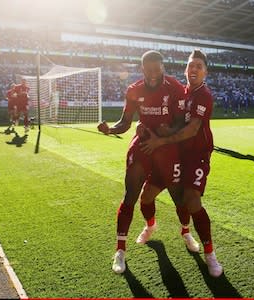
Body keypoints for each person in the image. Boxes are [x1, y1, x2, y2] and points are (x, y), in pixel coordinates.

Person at [97, 50, 189, 274]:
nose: (153, 74)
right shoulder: (134, 90)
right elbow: (125, 122)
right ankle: (120, 251)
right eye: (149, 70)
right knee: (130, 196)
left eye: (157, 70)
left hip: (167, 147)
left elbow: (180, 122)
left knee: (179, 196)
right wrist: (110, 130)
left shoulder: (175, 87)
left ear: (163, 68)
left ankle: (186, 232)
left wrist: (165, 135)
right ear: (142, 70)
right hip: (144, 146)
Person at [140, 49, 223, 277]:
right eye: (190, 65)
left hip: (197, 155)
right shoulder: (182, 93)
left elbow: (193, 129)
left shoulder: (203, 94)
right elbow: (177, 123)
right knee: (149, 195)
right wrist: (164, 130)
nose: (193, 68)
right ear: (185, 70)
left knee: (191, 199)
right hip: (174, 154)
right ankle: (160, 227)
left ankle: (210, 254)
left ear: (205, 72)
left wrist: (161, 140)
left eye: (198, 66)